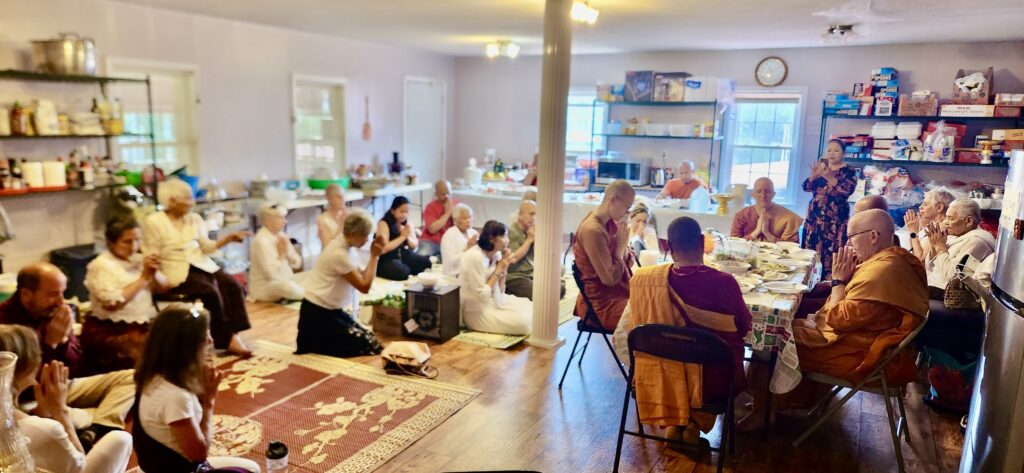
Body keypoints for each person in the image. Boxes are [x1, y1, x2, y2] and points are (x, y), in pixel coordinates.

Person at [743, 209, 928, 430]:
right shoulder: (892, 257)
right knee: (785, 326)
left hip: (860, 353)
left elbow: (837, 320)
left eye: (851, 237)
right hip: (862, 337)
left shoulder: (882, 271)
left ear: (873, 236)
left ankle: (762, 411)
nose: (848, 244)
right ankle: (773, 401)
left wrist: (839, 282)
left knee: (771, 341)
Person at [613, 216, 752, 451]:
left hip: (659, 381)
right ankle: (691, 424)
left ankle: (679, 422)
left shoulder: (643, 281)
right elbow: (745, 328)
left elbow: (629, 334)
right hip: (714, 385)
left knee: (676, 355)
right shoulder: (725, 282)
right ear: (701, 241)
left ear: (668, 246)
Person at [0, 263, 136, 436]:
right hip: (26, 397)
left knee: (133, 377)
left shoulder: (53, 313)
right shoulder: (5, 325)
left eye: (62, 293)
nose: (61, 302)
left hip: (62, 385)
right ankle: (87, 421)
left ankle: (99, 428)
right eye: (53, 294)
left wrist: (63, 343)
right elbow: (19, 382)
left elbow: (78, 369)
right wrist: (50, 345)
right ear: (26, 294)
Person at [134, 307, 260, 473]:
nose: (211, 341)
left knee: (251, 467)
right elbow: (199, 454)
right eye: (204, 337)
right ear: (187, 346)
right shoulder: (174, 395)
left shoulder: (152, 374)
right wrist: (208, 402)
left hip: (157, 466)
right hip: (177, 468)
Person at [141, 178, 253, 357]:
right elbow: (150, 253)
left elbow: (206, 247)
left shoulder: (195, 218)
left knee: (233, 285)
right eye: (188, 198)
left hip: (202, 265)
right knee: (210, 292)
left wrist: (228, 239)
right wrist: (158, 279)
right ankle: (225, 339)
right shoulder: (154, 222)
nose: (192, 202)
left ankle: (235, 334)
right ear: (172, 201)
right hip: (175, 271)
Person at [1, 326, 133, 473]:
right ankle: (96, 429)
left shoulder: (33, 422)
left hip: (38, 410)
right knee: (121, 438)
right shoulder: (46, 429)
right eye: (37, 353)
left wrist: (44, 412)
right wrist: (60, 410)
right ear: (24, 365)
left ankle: (97, 426)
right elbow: (79, 466)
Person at [83, 217, 170, 374]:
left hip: (141, 325)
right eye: (127, 242)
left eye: (137, 240)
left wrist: (154, 272)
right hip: (113, 331)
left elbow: (165, 287)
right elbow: (112, 304)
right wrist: (143, 278)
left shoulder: (138, 259)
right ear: (111, 242)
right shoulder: (101, 265)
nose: (134, 246)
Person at [298, 210, 386, 358]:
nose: (368, 240)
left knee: (371, 340)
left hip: (332, 311)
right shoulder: (338, 253)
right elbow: (364, 287)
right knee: (366, 345)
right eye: (366, 236)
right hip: (317, 314)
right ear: (354, 234)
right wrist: (374, 257)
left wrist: (374, 256)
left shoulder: (347, 248)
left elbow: (364, 276)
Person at [573, 180, 636, 330]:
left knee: (659, 304)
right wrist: (620, 248)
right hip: (602, 305)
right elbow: (609, 279)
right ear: (613, 200)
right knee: (651, 317)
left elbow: (629, 258)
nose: (627, 212)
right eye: (627, 207)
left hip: (620, 294)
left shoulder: (611, 222)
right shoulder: (593, 230)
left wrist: (622, 249)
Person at [459, 220, 533, 335]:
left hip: (493, 300)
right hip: (475, 310)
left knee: (531, 307)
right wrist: (498, 270)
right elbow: (481, 296)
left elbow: (500, 288)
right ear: (491, 238)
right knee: (523, 323)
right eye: (503, 236)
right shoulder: (474, 257)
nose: (507, 240)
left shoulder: (496, 254)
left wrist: (505, 267)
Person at [801, 139, 858, 277]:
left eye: (836, 150)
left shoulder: (849, 171)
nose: (832, 153)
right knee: (811, 248)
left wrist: (828, 176)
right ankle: (808, 280)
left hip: (834, 218)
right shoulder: (821, 167)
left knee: (830, 250)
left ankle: (828, 282)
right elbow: (806, 188)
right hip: (814, 216)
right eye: (829, 150)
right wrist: (813, 176)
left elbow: (846, 191)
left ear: (843, 153)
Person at [924, 199, 996, 295]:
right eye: (946, 217)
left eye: (950, 218)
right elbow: (930, 267)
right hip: (931, 286)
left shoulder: (978, 242)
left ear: (968, 221)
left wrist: (940, 247)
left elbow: (952, 278)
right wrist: (934, 244)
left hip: (946, 294)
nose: (945, 222)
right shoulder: (955, 235)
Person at [505, 200, 565, 300]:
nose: (534, 218)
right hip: (516, 276)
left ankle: (550, 283)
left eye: (536, 215)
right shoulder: (512, 231)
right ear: (520, 215)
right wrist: (529, 240)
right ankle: (511, 290)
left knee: (560, 272)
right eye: (531, 214)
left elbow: (545, 255)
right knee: (548, 294)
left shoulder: (531, 230)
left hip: (532, 272)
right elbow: (513, 259)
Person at [249, 203, 304, 302]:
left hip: (287, 279)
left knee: (314, 275)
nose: (285, 222)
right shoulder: (260, 240)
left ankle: (308, 293)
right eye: (281, 218)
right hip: (265, 287)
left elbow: (297, 264)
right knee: (287, 287)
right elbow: (270, 275)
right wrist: (282, 255)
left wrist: (287, 253)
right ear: (268, 221)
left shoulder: (282, 235)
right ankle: (311, 296)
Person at [730, 177, 802, 243]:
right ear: (753, 194)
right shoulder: (741, 216)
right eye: (758, 191)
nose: (763, 195)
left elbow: (793, 248)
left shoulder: (790, 218)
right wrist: (755, 232)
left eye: (768, 191)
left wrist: (767, 234)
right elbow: (732, 243)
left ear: (774, 194)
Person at [376, 196, 431, 280]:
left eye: (407, 212)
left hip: (403, 254)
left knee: (426, 263)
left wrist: (407, 236)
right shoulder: (384, 223)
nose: (404, 215)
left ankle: (407, 267)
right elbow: (383, 249)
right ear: (393, 210)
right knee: (403, 272)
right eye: (401, 211)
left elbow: (414, 245)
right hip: (388, 258)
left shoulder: (407, 224)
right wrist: (402, 237)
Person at [903, 189, 956, 261]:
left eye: (925, 204)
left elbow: (920, 259)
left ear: (939, 207)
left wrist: (913, 232)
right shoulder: (935, 226)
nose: (920, 207)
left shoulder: (941, 228)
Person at [418, 180, 460, 257]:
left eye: (448, 193)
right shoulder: (430, 207)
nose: (447, 196)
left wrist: (453, 214)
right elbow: (432, 229)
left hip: (450, 243)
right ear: (436, 194)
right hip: (431, 241)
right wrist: (448, 213)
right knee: (421, 259)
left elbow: (461, 226)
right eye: (443, 194)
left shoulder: (457, 205)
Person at [440, 204, 478, 277]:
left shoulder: (473, 232)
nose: (468, 221)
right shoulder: (449, 235)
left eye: (470, 217)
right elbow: (451, 262)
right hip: (454, 274)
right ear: (455, 220)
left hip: (472, 270)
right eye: (464, 218)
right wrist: (467, 248)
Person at [317, 183, 348, 248]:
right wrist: (343, 224)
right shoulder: (322, 219)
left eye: (344, 196)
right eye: (339, 197)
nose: (343, 199)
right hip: (332, 255)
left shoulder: (347, 215)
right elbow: (328, 246)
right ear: (329, 198)